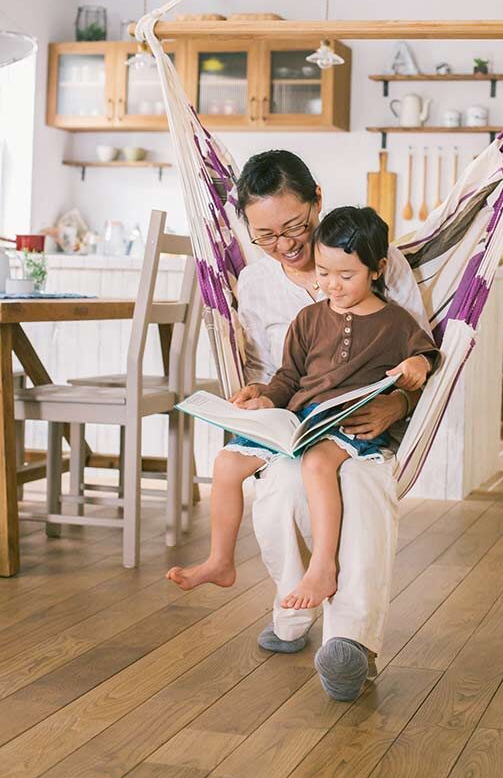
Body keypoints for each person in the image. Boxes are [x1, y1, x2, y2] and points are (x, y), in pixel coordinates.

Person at [190, 151, 431, 701]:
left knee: (362, 488)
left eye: (296, 226)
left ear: (317, 199)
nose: (286, 245)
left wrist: (397, 407)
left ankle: (349, 641)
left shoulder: (383, 261)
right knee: (277, 489)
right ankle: (292, 614)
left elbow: (422, 351)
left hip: (364, 430)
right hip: (294, 425)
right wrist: (256, 397)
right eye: (266, 235)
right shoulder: (254, 284)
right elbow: (266, 372)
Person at [166, 206, 438, 616]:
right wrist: (264, 401)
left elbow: (426, 356)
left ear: (377, 269)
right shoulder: (309, 318)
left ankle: (323, 567)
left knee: (314, 465)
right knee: (225, 463)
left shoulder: (396, 323)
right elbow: (288, 377)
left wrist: (419, 363)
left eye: (346, 276)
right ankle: (220, 561)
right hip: (297, 419)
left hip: (349, 423)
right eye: (324, 273)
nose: (333, 284)